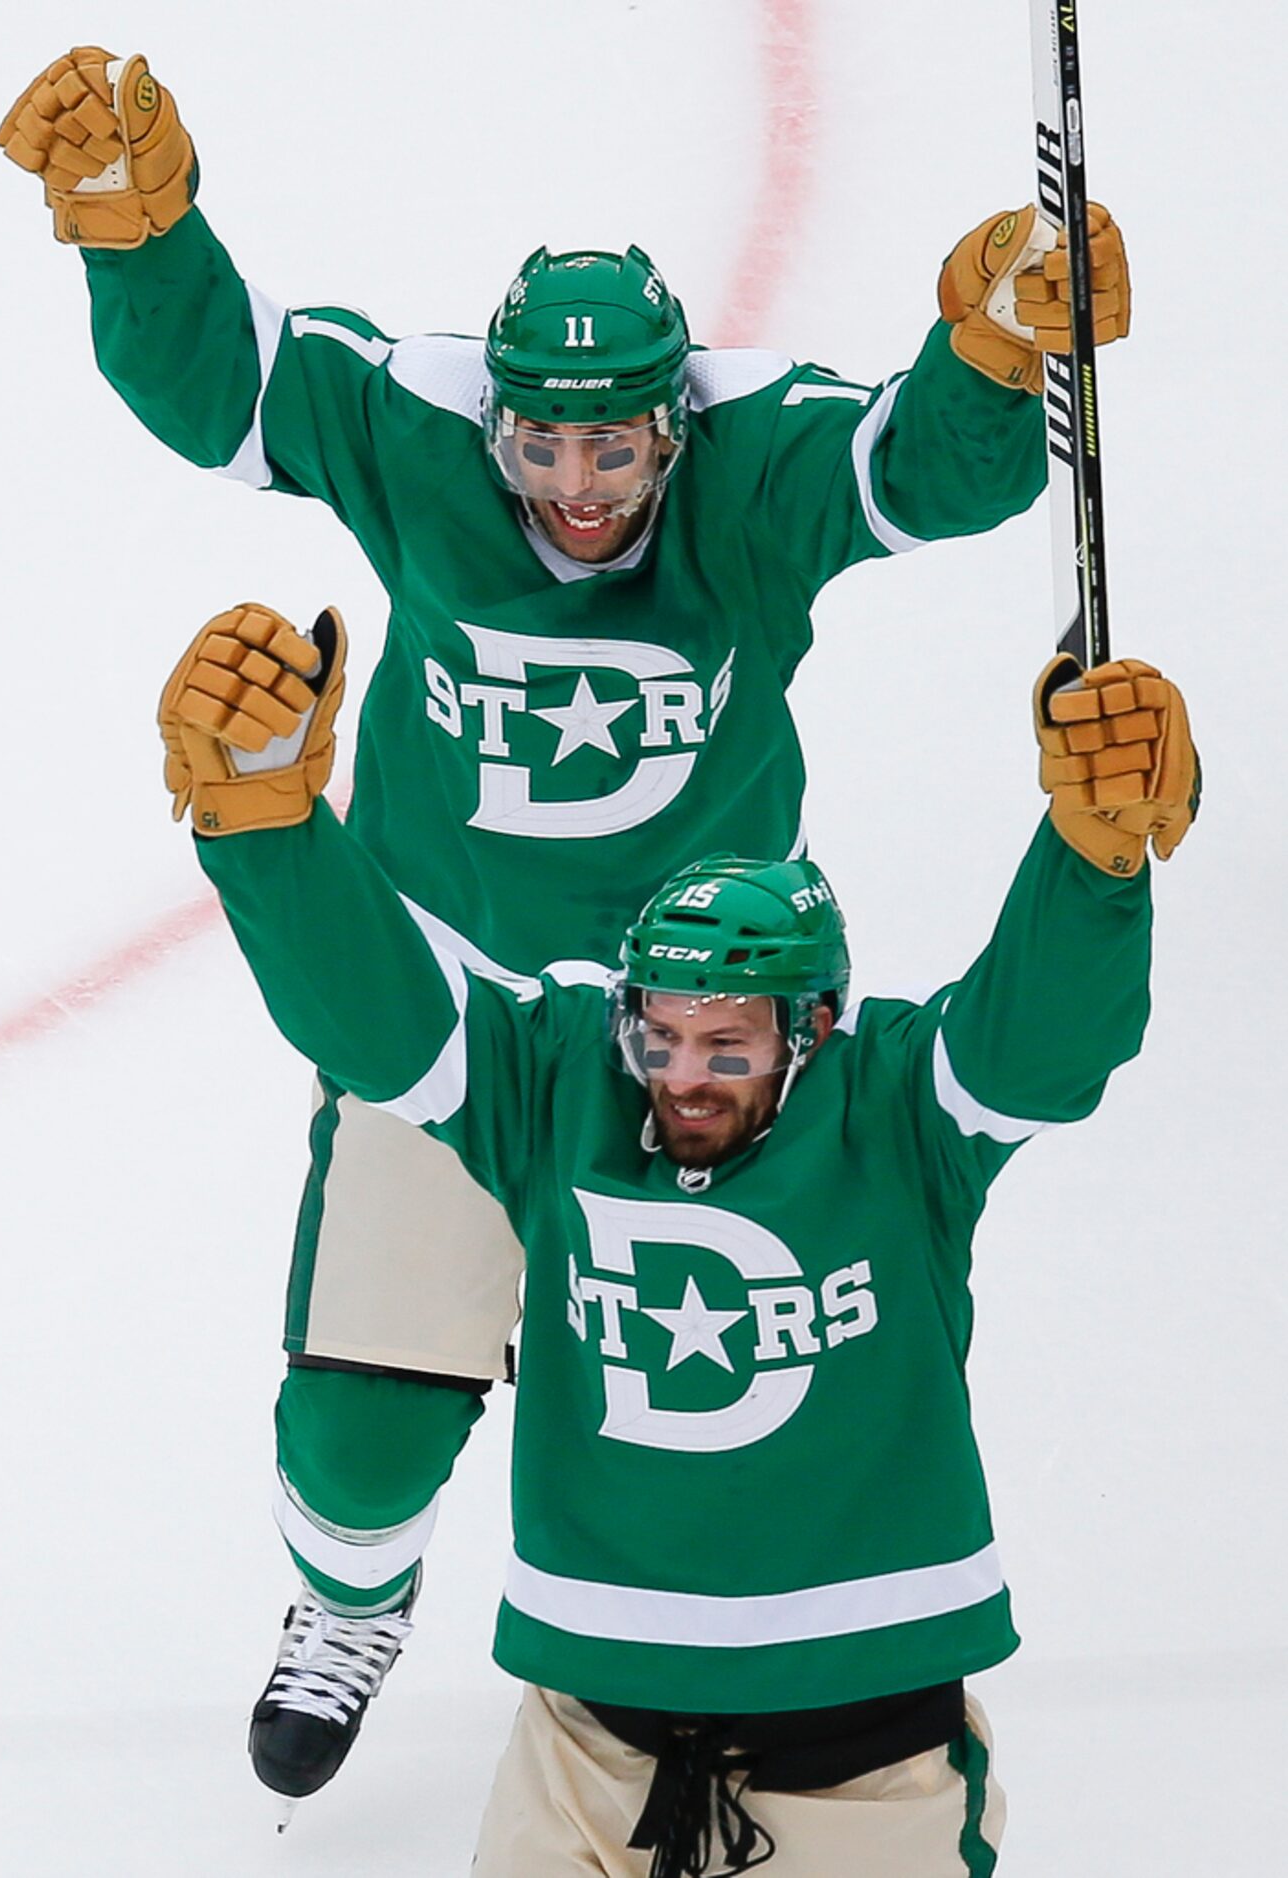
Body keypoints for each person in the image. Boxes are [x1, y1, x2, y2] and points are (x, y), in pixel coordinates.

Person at [0, 47, 1135, 1802]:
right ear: (497, 416)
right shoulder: (417, 424)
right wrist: (138, 231)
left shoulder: (757, 462)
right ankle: (347, 1603)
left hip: (712, 1045)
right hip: (452, 1021)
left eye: (618, 443)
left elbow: (929, 469)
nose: (580, 480)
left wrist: (991, 345)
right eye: (544, 439)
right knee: (362, 1422)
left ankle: (820, 1701)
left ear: (678, 420)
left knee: (787, 1383)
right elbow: (225, 381)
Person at [157, 600, 1197, 1874]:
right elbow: (379, 1011)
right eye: (660, 1033)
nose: (684, 1075)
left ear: (811, 1031)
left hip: (862, 1766)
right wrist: (263, 826)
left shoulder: (895, 1111)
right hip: (591, 1751)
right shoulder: (561, 1088)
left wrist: (1094, 865)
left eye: (731, 1044)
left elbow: (1044, 1042)